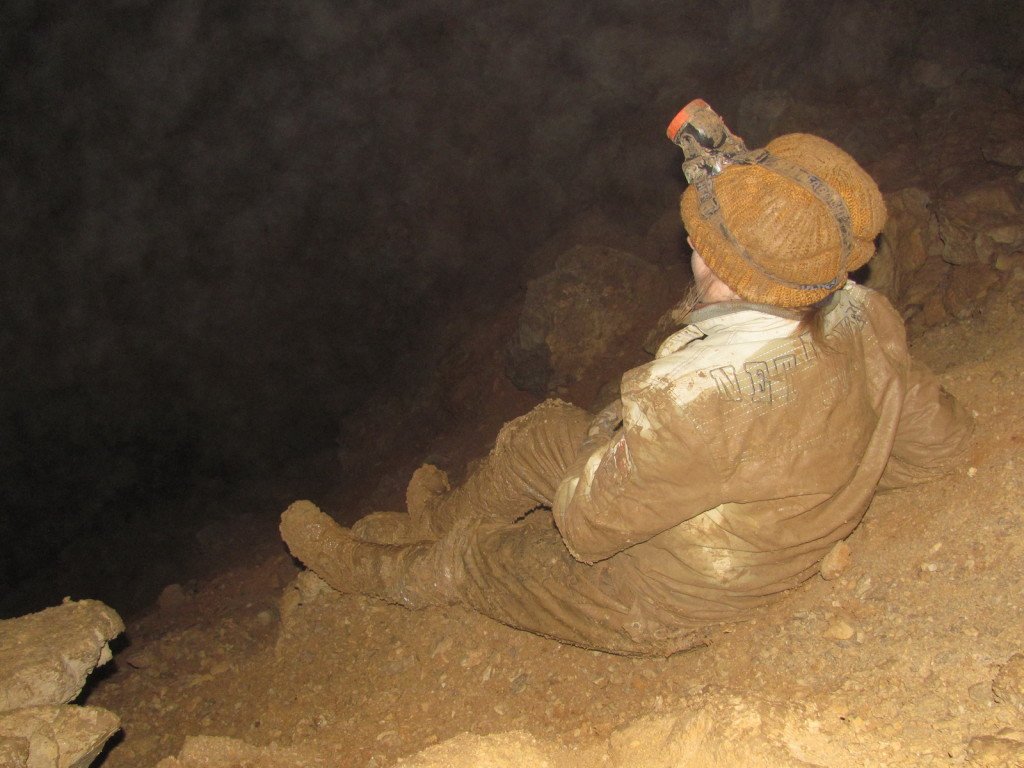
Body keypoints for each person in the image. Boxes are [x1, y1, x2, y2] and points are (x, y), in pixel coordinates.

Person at [279, 103, 972, 657]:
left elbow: (585, 528)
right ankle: (431, 518)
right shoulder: (866, 316)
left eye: (704, 240)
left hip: (668, 596)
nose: (692, 241)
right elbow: (936, 447)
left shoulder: (696, 399)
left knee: (480, 558)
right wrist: (820, 475)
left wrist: (631, 438)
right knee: (543, 437)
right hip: (724, 516)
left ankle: (372, 566)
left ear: (730, 272)